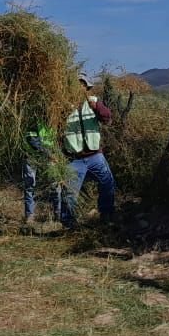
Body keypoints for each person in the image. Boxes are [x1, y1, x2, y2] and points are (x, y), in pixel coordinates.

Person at [60, 73, 115, 227]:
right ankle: (68, 223)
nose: (80, 87)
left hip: (95, 156)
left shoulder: (93, 102)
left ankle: (107, 216)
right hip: (74, 158)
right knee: (69, 192)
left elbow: (107, 118)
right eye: (77, 83)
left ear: (86, 87)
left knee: (107, 183)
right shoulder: (61, 105)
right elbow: (55, 129)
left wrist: (96, 107)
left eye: (82, 84)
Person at [22, 120, 61, 225]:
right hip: (32, 157)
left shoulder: (56, 118)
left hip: (50, 157)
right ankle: (29, 215)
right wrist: (49, 154)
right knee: (30, 186)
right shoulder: (33, 119)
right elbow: (32, 140)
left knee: (55, 185)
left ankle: (58, 213)